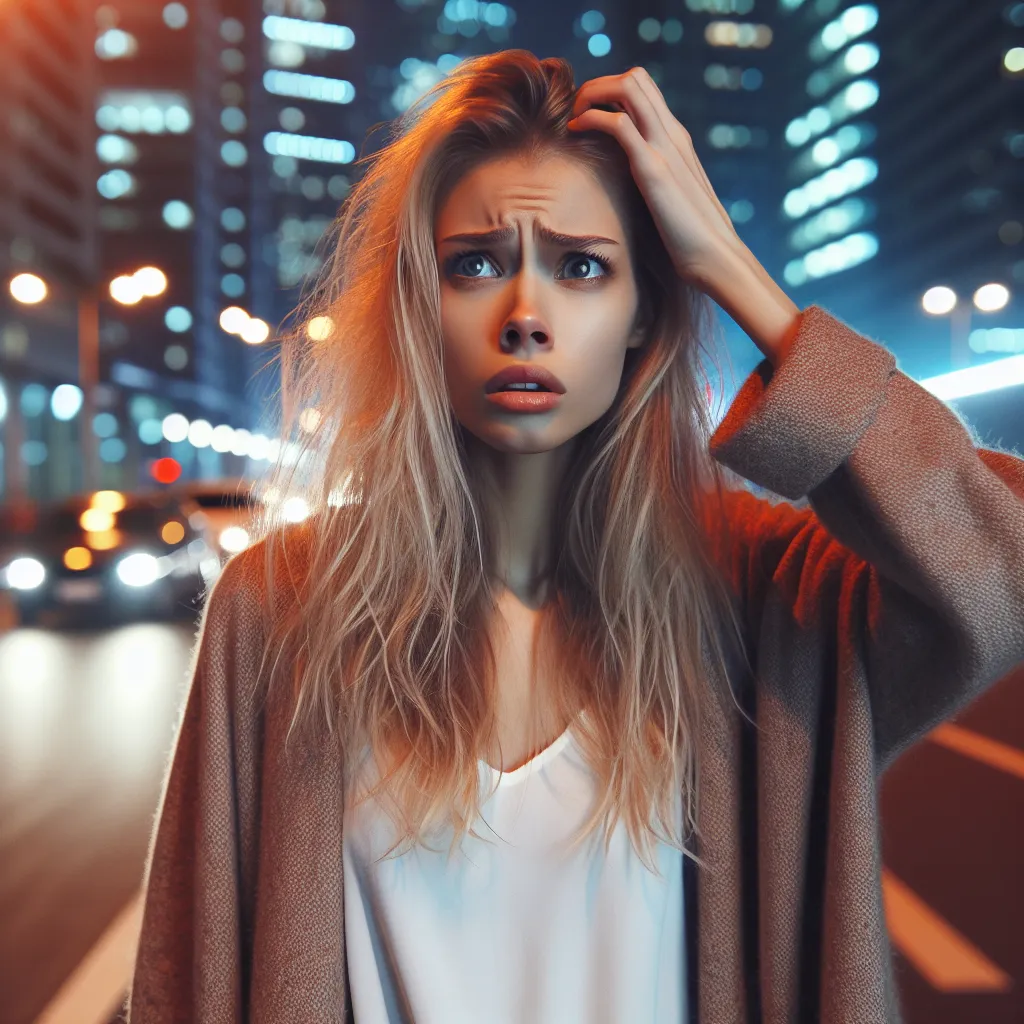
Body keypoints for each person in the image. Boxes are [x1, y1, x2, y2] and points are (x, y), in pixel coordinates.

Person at [127, 50, 1024, 1023]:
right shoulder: (281, 604)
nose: (524, 316)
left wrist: (728, 264)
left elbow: (998, 562)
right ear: (421, 305)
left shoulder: (760, 595)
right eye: (474, 263)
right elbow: (187, 978)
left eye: (581, 266)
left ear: (646, 309)